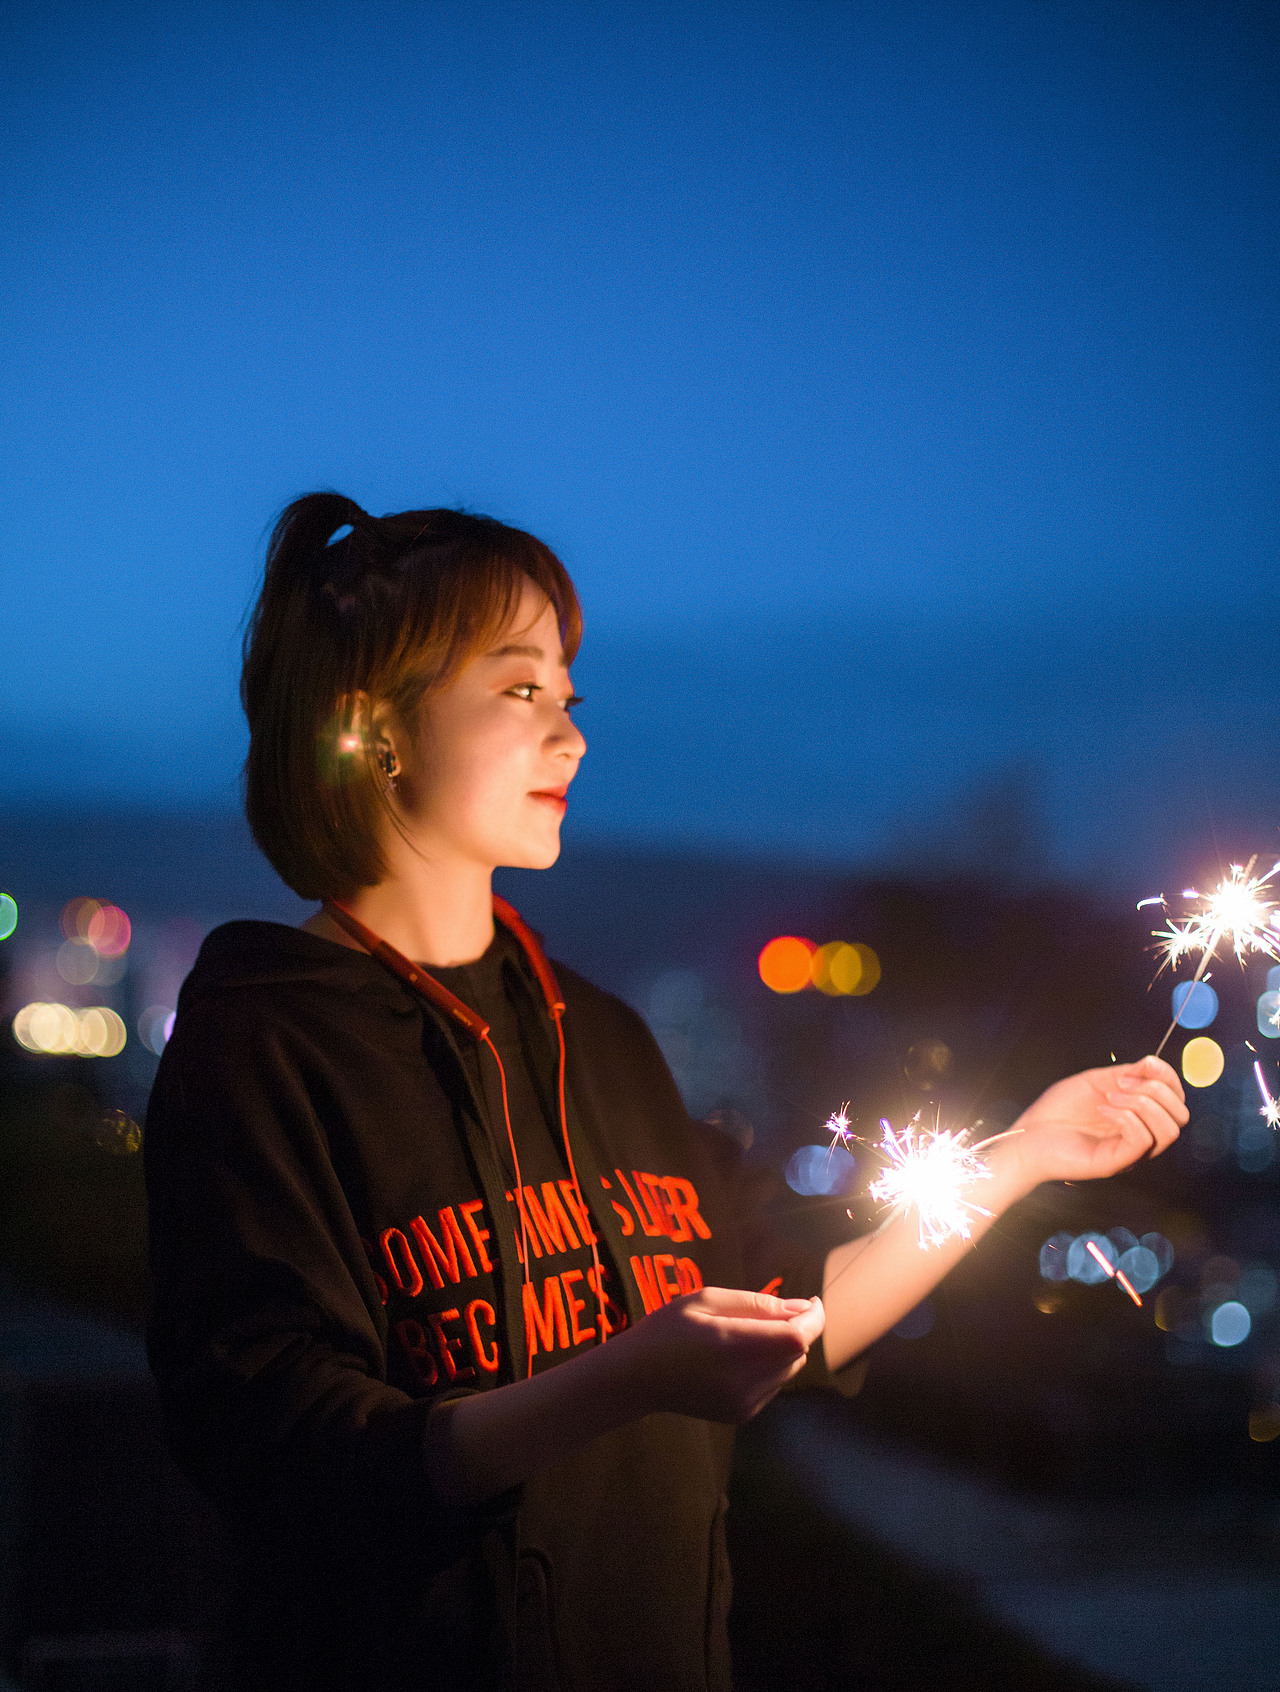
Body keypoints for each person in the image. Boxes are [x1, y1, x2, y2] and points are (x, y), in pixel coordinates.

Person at [144, 495, 1187, 1692]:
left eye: (569, 696)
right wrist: (620, 1379)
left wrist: (1019, 1155)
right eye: (520, 688)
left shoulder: (606, 1040)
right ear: (374, 727)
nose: (571, 736)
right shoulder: (264, 1044)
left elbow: (798, 1317)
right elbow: (281, 1445)